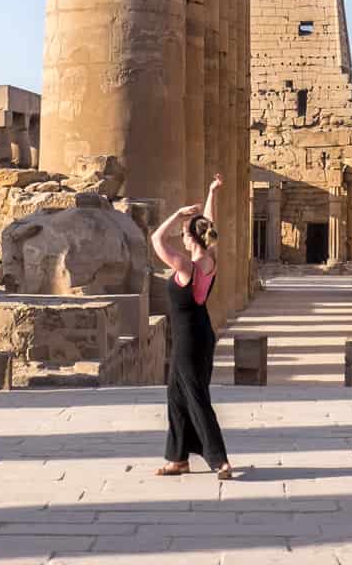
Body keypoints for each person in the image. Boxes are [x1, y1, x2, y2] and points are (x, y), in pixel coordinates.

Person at [153, 172, 234, 479]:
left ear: (191, 238)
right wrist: (213, 192)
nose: (181, 238)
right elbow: (210, 226)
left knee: (196, 396)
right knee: (176, 394)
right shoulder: (209, 259)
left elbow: (156, 240)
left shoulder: (185, 266)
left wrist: (176, 215)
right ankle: (177, 458)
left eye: (185, 234)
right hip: (201, 333)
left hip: (189, 339)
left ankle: (219, 460)